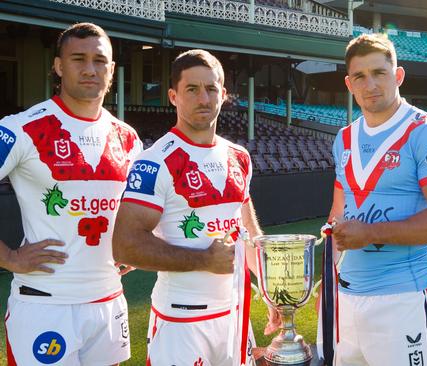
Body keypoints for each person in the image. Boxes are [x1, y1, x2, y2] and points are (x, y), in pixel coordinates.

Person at [113, 49, 278, 366]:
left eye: (211, 88)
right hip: (181, 320)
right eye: (192, 89)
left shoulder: (238, 157)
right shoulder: (154, 162)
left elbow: (249, 233)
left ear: (224, 94)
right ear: (174, 96)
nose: (203, 97)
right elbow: (125, 245)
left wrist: (270, 290)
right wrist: (204, 260)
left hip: (234, 315)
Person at [0, 22, 141, 365]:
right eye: (78, 59)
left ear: (112, 70)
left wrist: (136, 245)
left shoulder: (127, 138)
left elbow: (142, 210)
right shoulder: (21, 128)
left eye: (100, 60)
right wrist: (9, 258)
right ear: (59, 67)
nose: (90, 69)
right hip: (45, 305)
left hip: (109, 301)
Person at [328, 33, 427, 366]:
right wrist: (329, 277)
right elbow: (338, 213)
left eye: (379, 73)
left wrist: (372, 234)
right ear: (349, 84)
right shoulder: (344, 138)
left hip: (402, 300)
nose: (370, 84)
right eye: (360, 76)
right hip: (347, 299)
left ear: (398, 75)